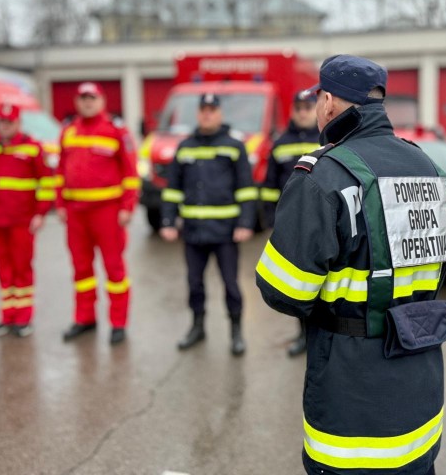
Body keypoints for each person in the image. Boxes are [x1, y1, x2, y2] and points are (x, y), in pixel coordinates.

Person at [255, 55, 446, 475]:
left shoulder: (322, 176)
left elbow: (283, 291)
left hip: (352, 399)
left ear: (328, 102)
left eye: (319, 100)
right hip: (420, 397)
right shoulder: (432, 171)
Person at [160, 92, 257, 356]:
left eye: (212, 110)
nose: (207, 114)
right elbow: (173, 189)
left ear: (220, 114)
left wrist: (245, 222)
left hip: (225, 232)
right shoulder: (185, 146)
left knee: (230, 284)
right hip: (193, 232)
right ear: (198, 113)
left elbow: (246, 188)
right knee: (194, 284)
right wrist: (168, 221)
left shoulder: (234, 146)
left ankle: (236, 331)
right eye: (203, 110)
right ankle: (197, 326)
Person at [55, 82, 140, 345]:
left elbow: (130, 172)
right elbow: (60, 170)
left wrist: (127, 206)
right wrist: (60, 204)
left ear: (102, 100)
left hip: (107, 211)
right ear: (77, 102)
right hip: (76, 213)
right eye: (83, 98)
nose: (87, 102)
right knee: (81, 269)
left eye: (92, 97)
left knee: (114, 268)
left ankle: (118, 323)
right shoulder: (68, 131)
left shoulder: (116, 130)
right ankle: (85, 318)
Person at [0, 103, 55, 338]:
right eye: (2, 122)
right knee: (3, 270)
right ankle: (7, 317)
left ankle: (23, 318)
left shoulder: (32, 148)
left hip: (22, 220)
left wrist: (40, 213)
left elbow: (46, 182)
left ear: (18, 123)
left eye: (10, 122)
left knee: (22, 268)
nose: (5, 126)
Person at [261, 89, 320, 357]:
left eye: (308, 108)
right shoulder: (280, 143)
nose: (303, 113)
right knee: (299, 283)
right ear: (292, 111)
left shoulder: (327, 139)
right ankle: (303, 334)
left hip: (322, 222)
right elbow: (270, 187)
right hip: (292, 226)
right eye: (299, 108)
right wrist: (271, 221)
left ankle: (321, 333)